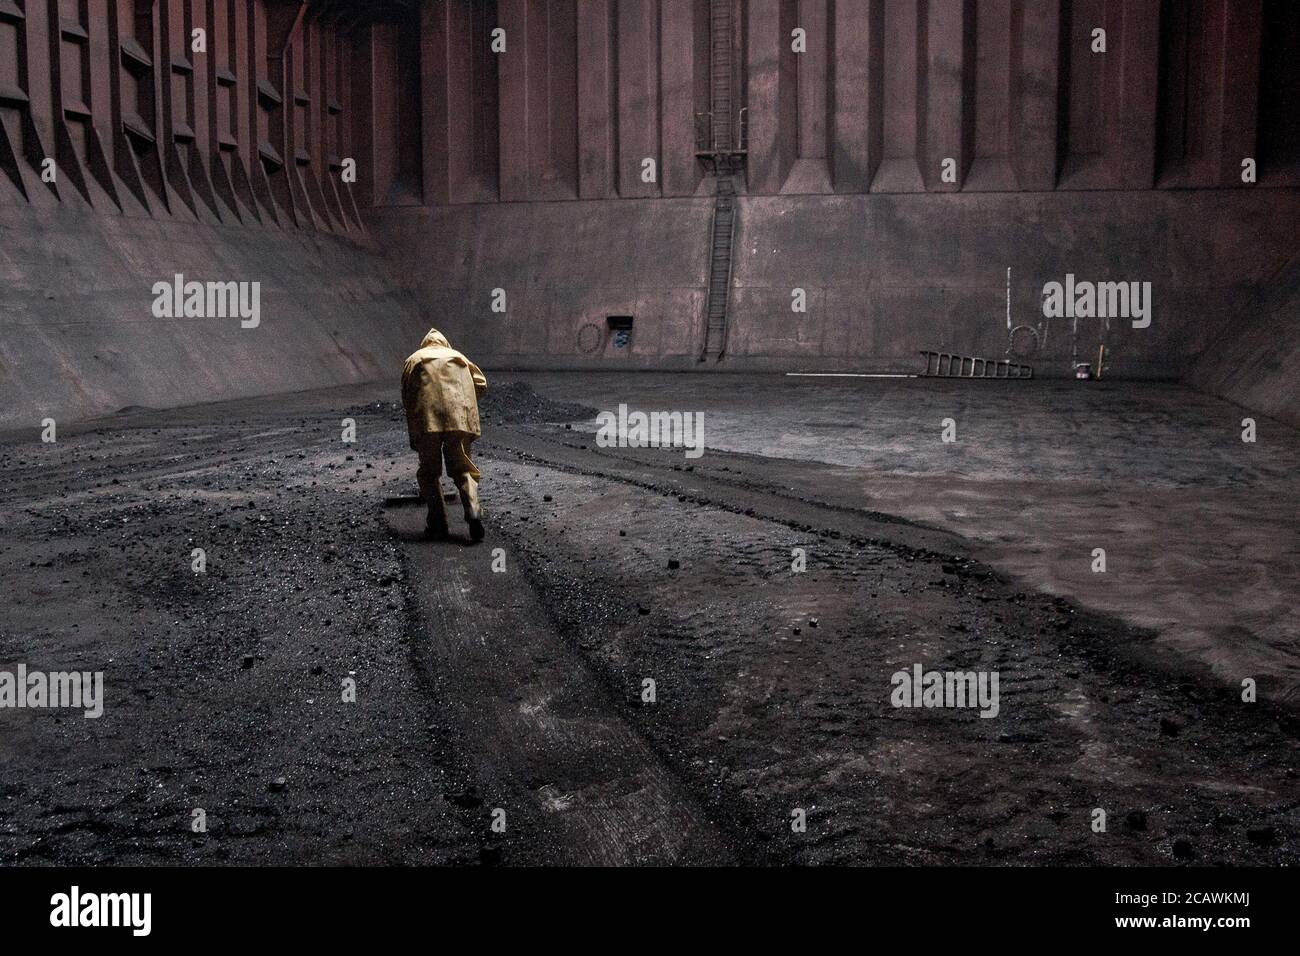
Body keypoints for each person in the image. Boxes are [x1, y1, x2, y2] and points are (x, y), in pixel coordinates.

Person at [400, 328, 488, 541]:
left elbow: (406, 392)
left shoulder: (415, 359)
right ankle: (473, 511)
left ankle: (438, 524)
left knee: (429, 473)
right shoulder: (459, 358)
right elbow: (482, 385)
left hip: (428, 420)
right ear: (444, 343)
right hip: (459, 419)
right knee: (463, 468)